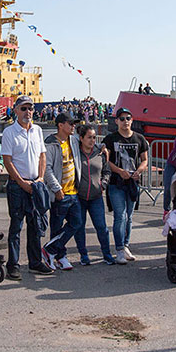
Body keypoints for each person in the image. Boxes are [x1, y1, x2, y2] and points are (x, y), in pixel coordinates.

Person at [1, 95, 53, 279]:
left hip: (35, 185)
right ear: (15, 110)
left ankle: (35, 262)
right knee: (16, 226)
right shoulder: (9, 132)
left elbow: (42, 156)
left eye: (30, 108)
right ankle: (13, 265)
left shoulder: (37, 130)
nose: (28, 112)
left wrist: (39, 178)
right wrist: (22, 183)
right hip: (17, 185)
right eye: (23, 108)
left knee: (35, 225)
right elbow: (7, 161)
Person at [103, 107, 149, 265]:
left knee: (129, 217)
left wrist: (139, 171)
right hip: (116, 183)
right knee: (120, 216)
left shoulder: (140, 139)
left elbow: (144, 159)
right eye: (121, 119)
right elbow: (106, 161)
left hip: (132, 183)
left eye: (128, 118)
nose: (125, 121)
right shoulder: (110, 139)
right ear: (116, 121)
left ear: (132, 120)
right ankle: (119, 249)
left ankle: (126, 245)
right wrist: (119, 171)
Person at [43, 113, 83, 271]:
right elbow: (47, 169)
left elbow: (87, 147)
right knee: (56, 227)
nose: (73, 126)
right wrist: (56, 188)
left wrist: (102, 148)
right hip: (60, 193)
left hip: (73, 191)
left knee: (77, 222)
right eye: (70, 123)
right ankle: (59, 256)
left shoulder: (73, 140)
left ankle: (49, 250)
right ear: (60, 125)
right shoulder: (51, 143)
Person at [72, 124, 114, 265]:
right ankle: (83, 255)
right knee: (79, 227)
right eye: (89, 137)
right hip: (80, 197)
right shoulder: (75, 153)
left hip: (96, 197)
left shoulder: (100, 152)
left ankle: (107, 254)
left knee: (101, 227)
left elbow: (107, 171)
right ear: (81, 138)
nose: (92, 140)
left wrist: (103, 184)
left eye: (94, 137)